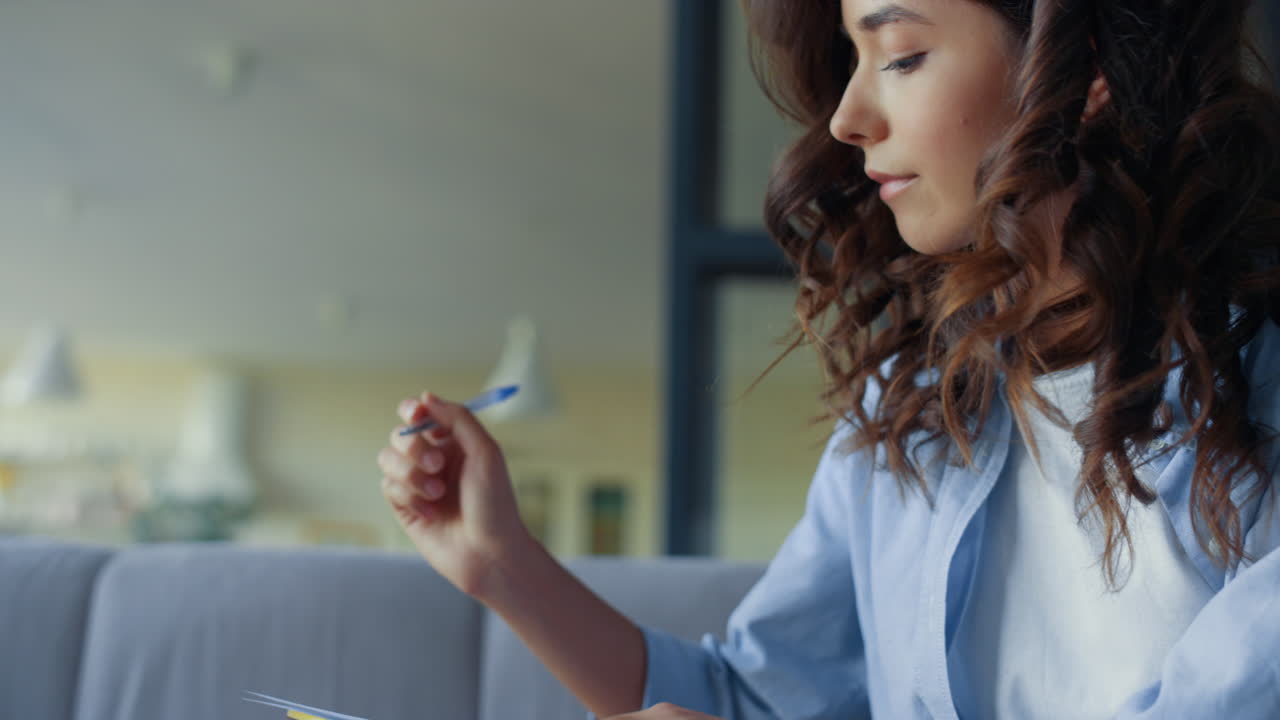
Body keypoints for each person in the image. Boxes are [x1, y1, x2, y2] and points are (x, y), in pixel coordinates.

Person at [375, 0, 1280, 717]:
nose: (847, 117)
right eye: (852, 59)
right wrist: (505, 568)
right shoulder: (912, 408)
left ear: (1084, 70)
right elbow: (756, 701)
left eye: (901, 54)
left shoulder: (1259, 375)